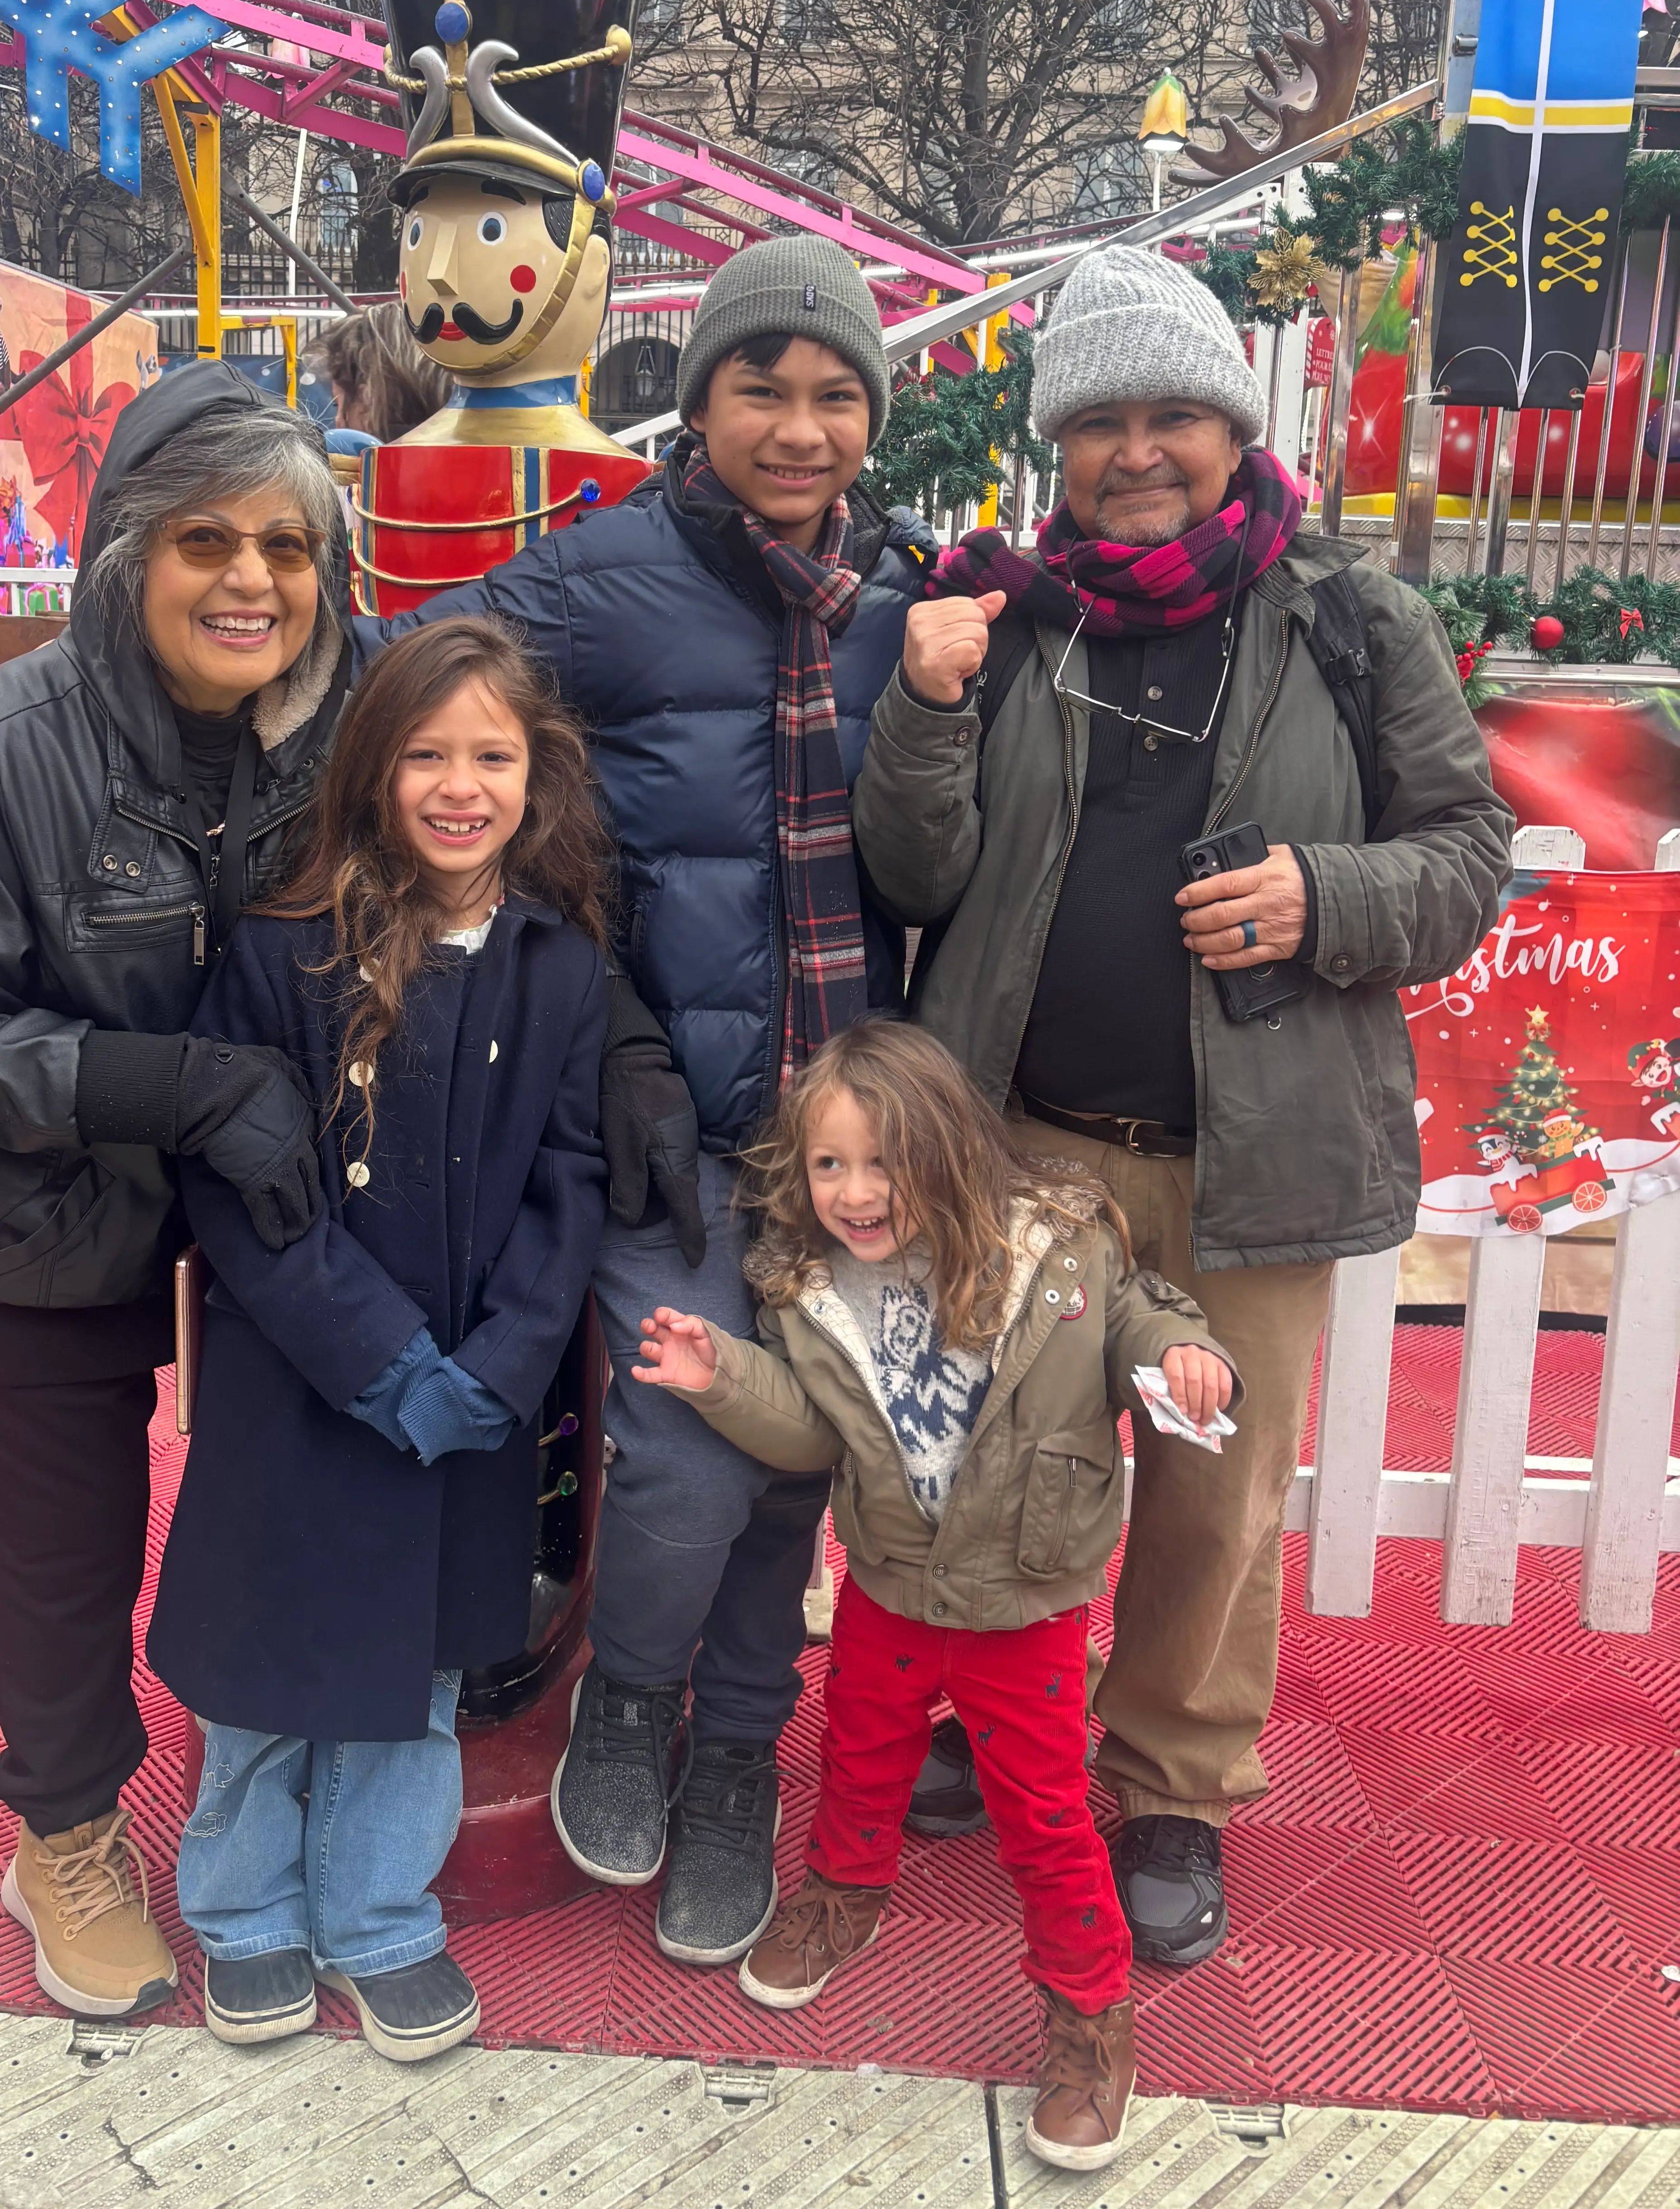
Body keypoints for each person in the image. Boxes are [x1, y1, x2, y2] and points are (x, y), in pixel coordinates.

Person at [852, 245, 1512, 1967]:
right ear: (1056, 444)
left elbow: (1463, 863)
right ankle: (978, 1710)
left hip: (1250, 1157)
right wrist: (925, 710)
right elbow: (909, 871)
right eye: (1102, 423)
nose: (1138, 451)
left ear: (1232, 426)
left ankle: (1167, 1785)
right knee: (995, 1458)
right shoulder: (1002, 626)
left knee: (1213, 1488)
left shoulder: (1351, 623)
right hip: (1023, 1143)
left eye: (1173, 418)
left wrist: (1323, 897)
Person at [376, 232, 932, 1969]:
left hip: (843, 1140)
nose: (797, 421)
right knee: (692, 1451)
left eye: (834, 391)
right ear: (697, 398)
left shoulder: (906, 605)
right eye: (760, 383)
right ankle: (629, 1698)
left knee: (799, 1468)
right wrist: (593, 1015)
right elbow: (416, 715)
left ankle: (733, 1769)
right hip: (664, 1124)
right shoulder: (592, 581)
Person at [0, 366, 353, 2020]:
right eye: (208, 537)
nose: (253, 579)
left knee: (274, 1524)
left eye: (288, 543)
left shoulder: (335, 733)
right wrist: (178, 1084)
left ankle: (283, 1797)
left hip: (242, 1229)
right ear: (127, 555)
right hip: (9, 1233)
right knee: (57, 1554)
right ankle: (61, 1825)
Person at [632, 1020, 1237, 2172]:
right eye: (829, 1164)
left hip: (1027, 1609)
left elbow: (1144, 1323)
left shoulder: (1060, 1254)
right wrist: (726, 1380)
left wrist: (1185, 1359)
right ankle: (843, 1895)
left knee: (1045, 1816)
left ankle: (1090, 2014)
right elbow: (813, 1435)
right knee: (859, 1756)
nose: (856, 1193)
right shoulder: (810, 1292)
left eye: (884, 1161)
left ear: (953, 1151)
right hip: (892, 1589)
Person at [148, 618, 609, 2059]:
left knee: (413, 1679)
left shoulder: (559, 965)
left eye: (492, 753)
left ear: (538, 775)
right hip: (302, 1384)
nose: (459, 783)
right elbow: (234, 1181)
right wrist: (376, 1356)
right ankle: (241, 1907)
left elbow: (571, 1176)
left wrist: (499, 1364)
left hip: (470, 1393)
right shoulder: (285, 949)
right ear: (372, 765)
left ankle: (377, 1911)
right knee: (268, 1671)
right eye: (425, 751)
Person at [312, 299, 450, 454]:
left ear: (367, 398)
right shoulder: (465, 450)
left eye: (338, 405)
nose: (338, 422)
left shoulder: (373, 471)